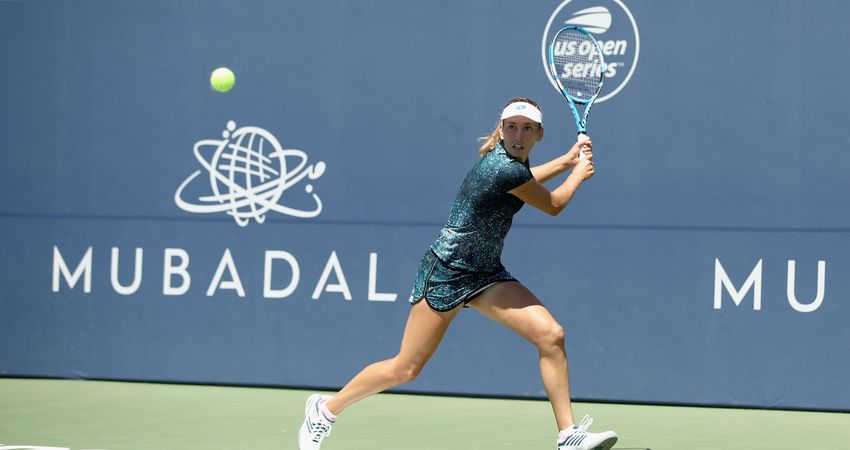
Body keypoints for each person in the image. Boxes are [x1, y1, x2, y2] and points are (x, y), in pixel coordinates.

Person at [298, 97, 618, 450]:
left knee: (551, 336)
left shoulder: (512, 169)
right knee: (406, 368)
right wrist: (578, 173)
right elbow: (553, 204)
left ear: (539, 134)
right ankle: (325, 410)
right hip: (447, 273)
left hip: (484, 274)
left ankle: (568, 435)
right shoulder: (503, 169)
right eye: (511, 126)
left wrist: (567, 159)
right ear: (501, 129)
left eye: (527, 128)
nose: (518, 134)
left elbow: (527, 180)